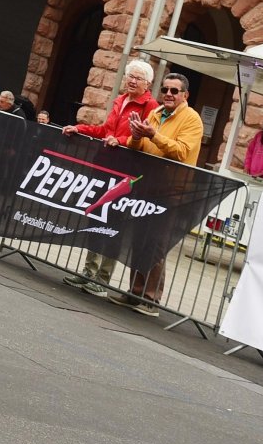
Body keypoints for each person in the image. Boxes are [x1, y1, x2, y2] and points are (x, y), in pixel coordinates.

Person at [59, 60, 159, 294]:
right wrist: (79, 128)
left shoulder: (150, 106)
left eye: (138, 78)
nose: (132, 80)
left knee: (113, 224)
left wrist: (121, 141)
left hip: (125, 173)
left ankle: (102, 278)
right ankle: (88, 271)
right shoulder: (120, 100)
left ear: (148, 83)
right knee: (95, 217)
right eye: (129, 76)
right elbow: (105, 131)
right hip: (103, 167)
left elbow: (145, 139)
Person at [116, 70, 202, 315]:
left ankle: (151, 298)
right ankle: (134, 291)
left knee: (157, 243)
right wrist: (135, 137)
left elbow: (182, 152)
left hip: (172, 190)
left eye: (174, 91)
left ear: (185, 94)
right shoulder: (155, 113)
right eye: (165, 90)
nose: (168, 94)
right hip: (147, 185)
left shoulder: (192, 119)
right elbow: (140, 147)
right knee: (139, 239)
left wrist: (155, 135)